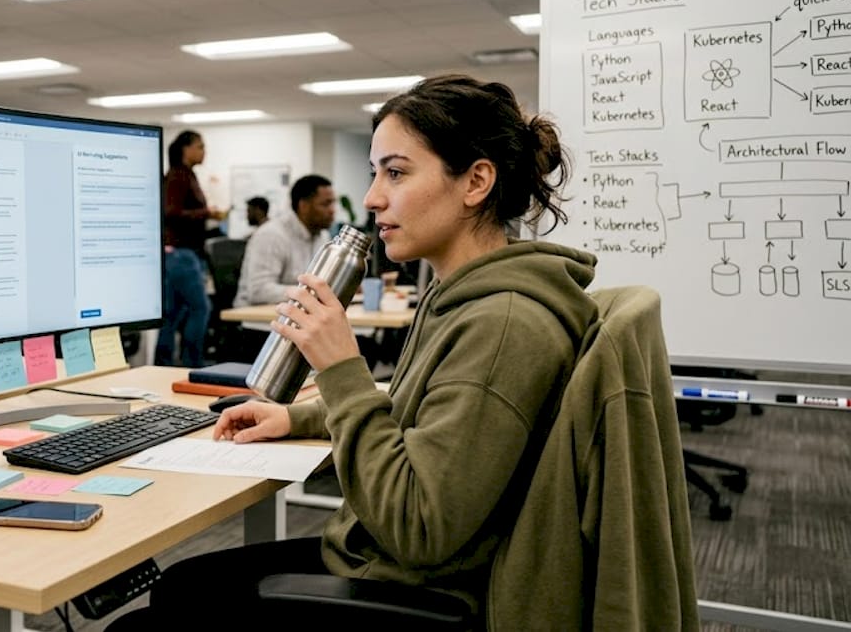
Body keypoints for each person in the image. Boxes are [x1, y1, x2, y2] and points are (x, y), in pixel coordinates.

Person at [109, 75, 599, 629]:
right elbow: (417, 412)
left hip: (409, 581)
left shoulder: (503, 324)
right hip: (379, 558)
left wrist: (341, 367)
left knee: (151, 617)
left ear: (476, 181)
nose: (371, 198)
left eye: (396, 172)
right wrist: (296, 415)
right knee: (183, 583)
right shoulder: (462, 294)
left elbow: (418, 525)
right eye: (375, 174)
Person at [155, 130, 226, 367]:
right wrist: (207, 212)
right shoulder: (178, 176)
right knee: (200, 308)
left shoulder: (186, 175)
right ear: (186, 149)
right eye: (200, 146)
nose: (204, 151)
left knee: (173, 314)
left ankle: (164, 364)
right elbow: (170, 212)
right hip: (181, 254)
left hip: (180, 254)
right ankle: (192, 364)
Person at [233, 175, 335, 310]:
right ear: (303, 206)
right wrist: (312, 293)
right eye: (325, 204)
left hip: (296, 315)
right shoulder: (272, 235)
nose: (332, 210)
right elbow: (259, 291)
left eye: (333, 203)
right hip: (256, 320)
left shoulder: (322, 236)